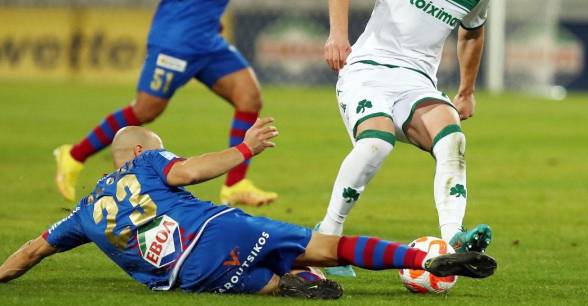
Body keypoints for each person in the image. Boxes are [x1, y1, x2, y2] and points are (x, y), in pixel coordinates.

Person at [0, 121, 497, 298]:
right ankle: (424, 261)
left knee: (266, 276)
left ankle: (281, 286)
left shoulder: (84, 212)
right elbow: (192, 172)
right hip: (215, 228)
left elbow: (30, 252)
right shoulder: (148, 160)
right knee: (327, 247)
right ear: (136, 153)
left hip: (184, 276)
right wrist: (246, 151)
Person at [53, 0, 277, 207]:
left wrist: (211, 19)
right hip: (176, 41)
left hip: (207, 41)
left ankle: (235, 184)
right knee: (145, 110)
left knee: (249, 97)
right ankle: (73, 155)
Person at [318, 0, 495, 277]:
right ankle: (329, 233)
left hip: (417, 83)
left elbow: (472, 32)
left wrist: (466, 92)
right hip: (368, 70)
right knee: (376, 145)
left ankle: (453, 241)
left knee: (453, 138)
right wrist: (338, 35)